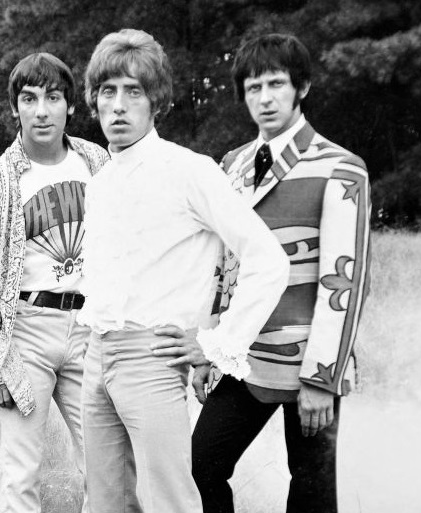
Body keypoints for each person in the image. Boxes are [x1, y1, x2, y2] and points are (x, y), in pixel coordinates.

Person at [78, 29, 290, 513]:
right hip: (96, 355)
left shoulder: (189, 170)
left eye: (134, 92)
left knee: (170, 503)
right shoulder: (100, 182)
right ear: (94, 100)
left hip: (153, 358)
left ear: (156, 101)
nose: (118, 106)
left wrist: (217, 344)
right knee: (104, 503)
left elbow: (268, 260)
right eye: (108, 91)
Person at [192, 34, 371, 513]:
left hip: (310, 362)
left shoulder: (341, 168)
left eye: (276, 84)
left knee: (312, 491)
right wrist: (210, 348)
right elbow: (222, 268)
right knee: (201, 466)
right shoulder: (231, 167)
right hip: (243, 356)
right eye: (254, 88)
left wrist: (322, 379)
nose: (265, 98)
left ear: (302, 87)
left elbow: (345, 283)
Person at [0, 53, 108, 513]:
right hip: (25, 333)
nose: (41, 111)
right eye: (29, 99)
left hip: (90, 328)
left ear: (70, 105)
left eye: (53, 98)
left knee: (106, 465)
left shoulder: (98, 162)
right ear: (15, 108)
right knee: (20, 474)